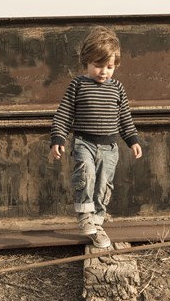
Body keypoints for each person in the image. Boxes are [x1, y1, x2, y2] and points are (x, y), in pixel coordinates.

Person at [49, 26, 143, 248]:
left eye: (109, 67)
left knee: (103, 185)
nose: (103, 72)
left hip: (110, 147)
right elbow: (63, 114)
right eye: (98, 66)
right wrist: (58, 139)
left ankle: (97, 224)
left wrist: (133, 140)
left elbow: (125, 118)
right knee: (86, 175)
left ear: (116, 65)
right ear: (86, 62)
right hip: (84, 143)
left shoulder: (117, 88)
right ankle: (84, 216)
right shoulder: (78, 85)